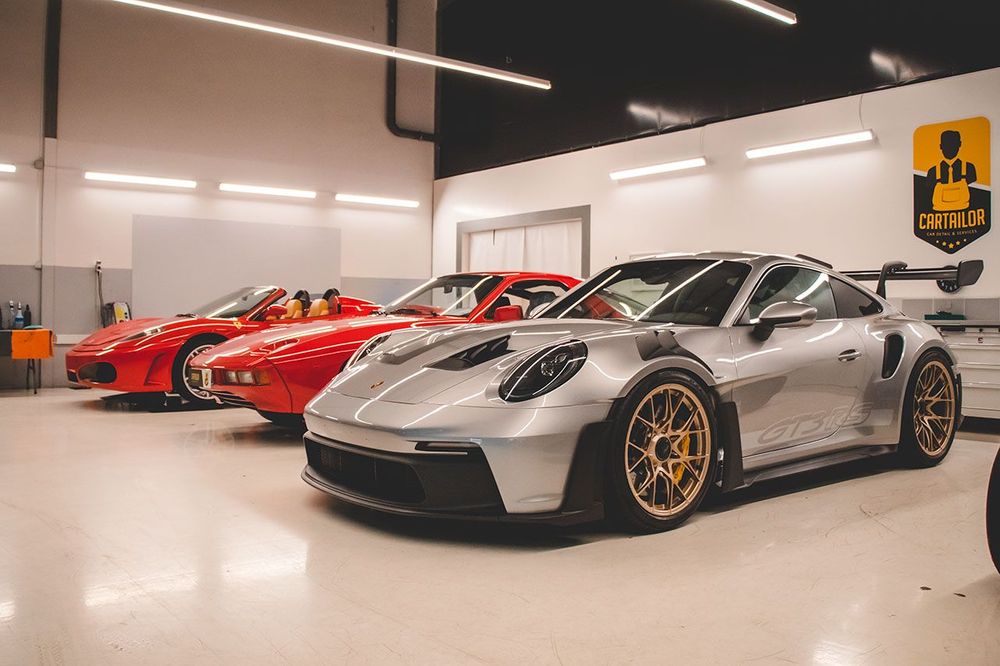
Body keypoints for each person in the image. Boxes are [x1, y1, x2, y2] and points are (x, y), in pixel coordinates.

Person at [928, 129, 978, 212]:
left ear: (959, 144)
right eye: (946, 144)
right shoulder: (932, 172)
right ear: (940, 146)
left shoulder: (969, 168)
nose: (949, 147)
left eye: (953, 144)